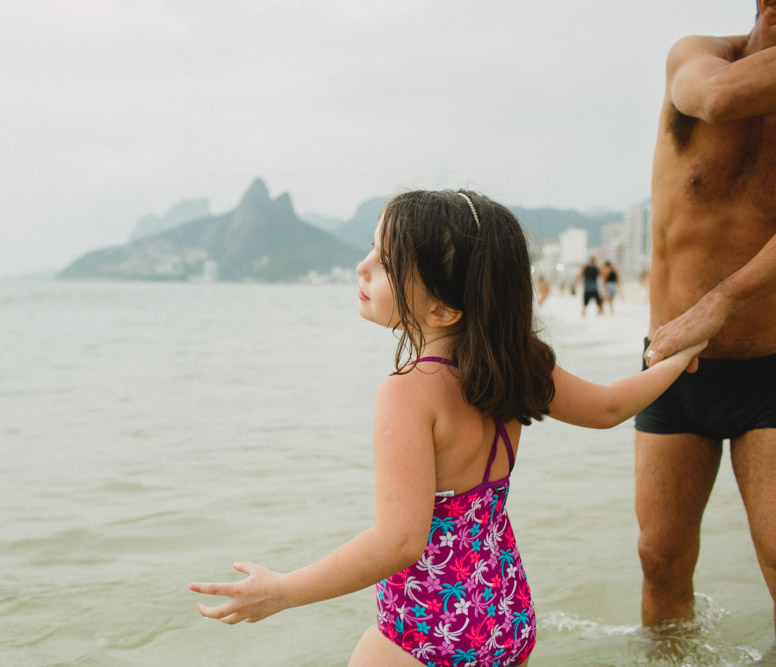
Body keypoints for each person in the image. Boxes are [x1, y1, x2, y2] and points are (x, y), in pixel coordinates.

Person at [189, 190, 705, 666]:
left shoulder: (408, 391)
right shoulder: (519, 366)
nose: (362, 268)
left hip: (429, 631)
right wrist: (680, 356)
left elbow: (399, 542)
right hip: (505, 613)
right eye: (371, 249)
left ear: (443, 307)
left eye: (384, 263)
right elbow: (611, 407)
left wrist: (282, 591)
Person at [636, 0, 776, 634]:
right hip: (673, 367)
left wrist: (718, 303)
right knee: (659, 558)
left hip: (769, 369)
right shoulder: (698, 56)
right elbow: (717, 99)